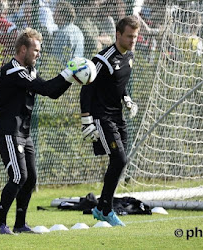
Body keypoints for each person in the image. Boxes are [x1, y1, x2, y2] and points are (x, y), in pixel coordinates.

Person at [0, 27, 88, 234]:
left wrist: (71, 78)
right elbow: (46, 89)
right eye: (35, 50)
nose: (39, 54)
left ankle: (20, 224)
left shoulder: (29, 71)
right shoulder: (12, 70)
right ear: (23, 49)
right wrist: (68, 72)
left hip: (23, 133)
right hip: (8, 130)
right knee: (18, 177)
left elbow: (51, 92)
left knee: (31, 178)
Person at [80, 16, 140, 227]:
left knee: (119, 161)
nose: (133, 40)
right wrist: (86, 120)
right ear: (118, 35)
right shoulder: (102, 59)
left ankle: (102, 207)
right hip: (101, 117)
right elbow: (86, 88)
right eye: (129, 36)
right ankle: (105, 209)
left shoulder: (130, 55)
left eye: (135, 36)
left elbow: (119, 83)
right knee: (120, 159)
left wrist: (127, 99)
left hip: (117, 116)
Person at [51, 1, 84, 65]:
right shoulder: (77, 30)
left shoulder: (62, 33)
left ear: (63, 16)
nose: (53, 14)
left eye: (56, 12)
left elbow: (57, 59)